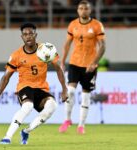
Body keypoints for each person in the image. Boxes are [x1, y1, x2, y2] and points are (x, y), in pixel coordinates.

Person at [0, 23, 68, 144]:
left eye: (31, 33)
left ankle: (26, 131)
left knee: (52, 106)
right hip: (25, 87)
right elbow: (5, 78)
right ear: (22, 37)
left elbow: (58, 69)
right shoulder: (16, 55)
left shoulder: (46, 49)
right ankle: (7, 137)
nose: (28, 36)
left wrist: (64, 89)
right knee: (28, 106)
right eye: (25, 34)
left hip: (41, 88)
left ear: (36, 34)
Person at [59, 0, 106, 134]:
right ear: (77, 10)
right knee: (70, 91)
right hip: (74, 63)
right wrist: (62, 60)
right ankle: (67, 120)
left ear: (90, 11)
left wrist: (94, 62)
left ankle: (81, 125)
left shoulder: (97, 25)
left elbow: (103, 47)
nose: (83, 11)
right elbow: (67, 44)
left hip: (89, 66)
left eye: (86, 8)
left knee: (86, 96)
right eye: (81, 8)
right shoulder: (73, 24)